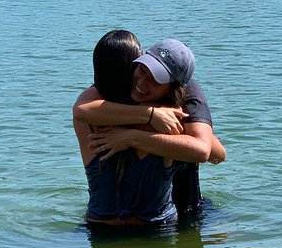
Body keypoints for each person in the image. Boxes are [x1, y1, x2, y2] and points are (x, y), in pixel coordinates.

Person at [74, 33, 224, 227]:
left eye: (156, 79)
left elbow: (80, 110)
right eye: (142, 70)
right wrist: (152, 116)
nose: (143, 82)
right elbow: (215, 153)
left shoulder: (92, 114)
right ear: (134, 65)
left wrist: (132, 137)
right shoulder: (170, 120)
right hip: (155, 228)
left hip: (99, 227)